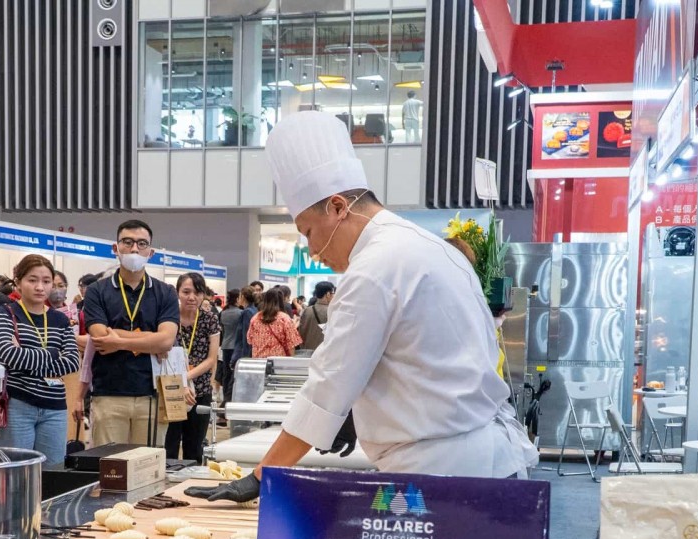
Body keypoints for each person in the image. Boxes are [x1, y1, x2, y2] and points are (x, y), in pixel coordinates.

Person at [191, 110, 535, 504]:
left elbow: (328, 387)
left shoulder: (372, 268)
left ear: (339, 207)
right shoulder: (435, 248)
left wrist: (258, 477)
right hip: (489, 459)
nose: (313, 250)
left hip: (440, 476)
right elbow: (425, 358)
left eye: (308, 232)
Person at [83, 219, 180, 446]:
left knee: (148, 469)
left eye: (141, 244)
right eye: (128, 242)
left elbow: (166, 340)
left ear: (151, 252)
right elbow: (99, 336)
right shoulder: (97, 291)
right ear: (115, 248)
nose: (135, 249)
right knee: (108, 468)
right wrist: (149, 340)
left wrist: (118, 341)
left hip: (152, 395)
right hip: (108, 394)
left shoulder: (165, 292)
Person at [0, 255, 81, 467]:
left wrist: (25, 354)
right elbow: (6, 354)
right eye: (32, 280)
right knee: (16, 471)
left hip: (55, 407)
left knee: (53, 472)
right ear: (18, 281)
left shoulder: (60, 319)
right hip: (18, 404)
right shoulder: (7, 314)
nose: (39, 287)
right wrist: (53, 353)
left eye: (46, 281)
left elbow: (72, 362)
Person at [165, 274, 221, 462]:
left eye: (197, 292)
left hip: (200, 390)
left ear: (203, 294)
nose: (192, 297)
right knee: (168, 445)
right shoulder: (168, 318)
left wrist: (185, 378)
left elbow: (211, 358)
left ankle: (188, 487)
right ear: (178, 293)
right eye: (186, 292)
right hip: (171, 389)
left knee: (195, 447)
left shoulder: (209, 319)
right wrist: (180, 383)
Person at [247, 286, 301, 358]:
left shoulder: (255, 318)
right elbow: (292, 344)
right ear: (281, 301)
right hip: (279, 362)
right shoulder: (284, 318)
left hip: (259, 360)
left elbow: (250, 340)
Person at [217, 288, 244, 419]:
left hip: (225, 346)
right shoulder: (241, 313)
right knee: (233, 376)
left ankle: (224, 402)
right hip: (235, 347)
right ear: (237, 298)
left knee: (226, 375)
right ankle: (227, 403)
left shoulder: (224, 313)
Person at [298, 281, 335, 352]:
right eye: (333, 293)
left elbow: (301, 332)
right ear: (327, 294)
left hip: (307, 351)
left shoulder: (307, 310)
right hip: (324, 352)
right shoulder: (332, 311)